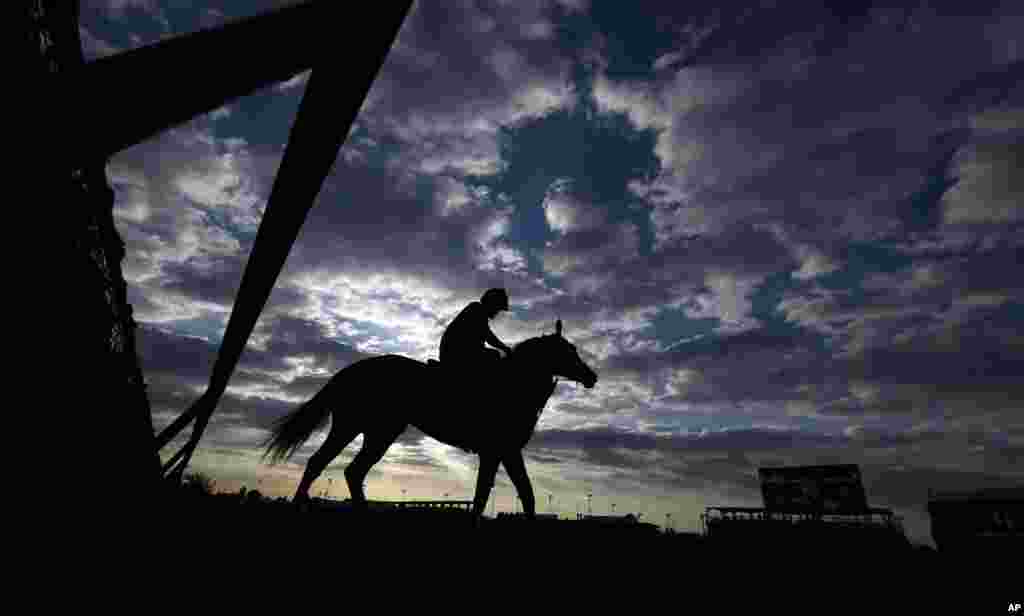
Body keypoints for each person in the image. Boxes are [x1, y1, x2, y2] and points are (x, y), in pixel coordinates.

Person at [439, 288, 512, 377]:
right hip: (455, 355)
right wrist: (505, 348)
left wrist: (504, 348)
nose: (497, 312)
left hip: (456, 353)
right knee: (493, 356)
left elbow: (486, 335)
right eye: (498, 308)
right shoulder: (476, 309)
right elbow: (489, 336)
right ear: (492, 303)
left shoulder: (478, 312)